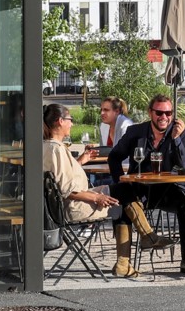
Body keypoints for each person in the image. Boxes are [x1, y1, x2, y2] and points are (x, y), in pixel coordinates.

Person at [40, 103, 170, 279]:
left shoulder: (49, 146)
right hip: (74, 206)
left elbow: (61, 178)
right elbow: (65, 190)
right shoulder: (56, 149)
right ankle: (144, 241)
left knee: (124, 192)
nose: (72, 124)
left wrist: (81, 161)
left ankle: (141, 245)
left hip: (71, 201)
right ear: (60, 121)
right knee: (124, 199)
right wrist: (97, 198)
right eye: (70, 120)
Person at [108, 94, 185, 275]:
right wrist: (120, 177)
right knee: (121, 193)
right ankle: (124, 263)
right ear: (151, 112)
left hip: (168, 189)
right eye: (159, 112)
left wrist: (176, 139)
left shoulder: (182, 132)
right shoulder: (136, 132)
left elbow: (184, 165)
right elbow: (114, 157)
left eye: (168, 113)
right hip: (140, 189)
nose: (164, 117)